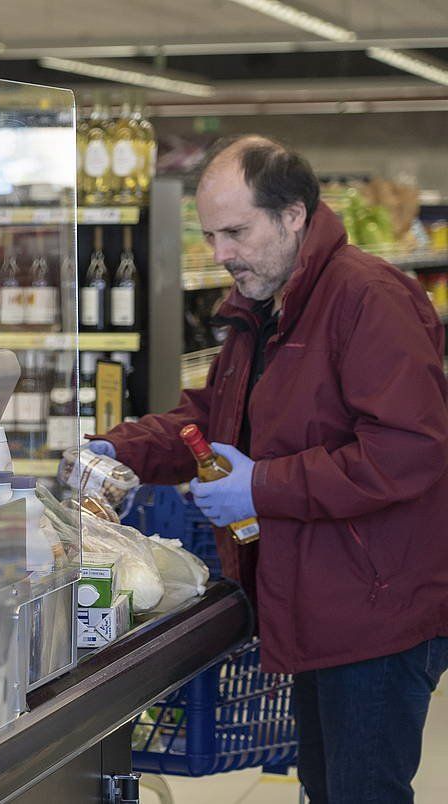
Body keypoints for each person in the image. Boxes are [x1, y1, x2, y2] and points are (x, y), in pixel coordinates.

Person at [91, 135, 448, 803]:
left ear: (292, 217)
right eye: (211, 235)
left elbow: (408, 451)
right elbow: (209, 420)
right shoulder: (266, 310)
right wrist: (117, 448)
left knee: (362, 792)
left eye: (235, 231)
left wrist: (259, 485)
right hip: (314, 600)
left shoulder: (369, 299)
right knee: (327, 787)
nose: (220, 253)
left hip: (376, 608)